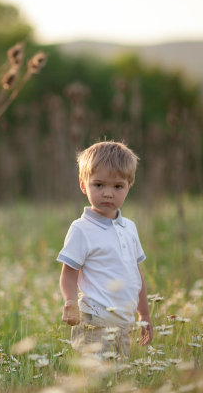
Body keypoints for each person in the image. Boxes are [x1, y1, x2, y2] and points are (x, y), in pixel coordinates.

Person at [57, 140, 153, 358]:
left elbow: (136, 275)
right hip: (95, 323)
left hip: (124, 324)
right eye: (99, 185)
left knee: (119, 378)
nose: (108, 193)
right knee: (97, 380)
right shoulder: (81, 229)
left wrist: (144, 315)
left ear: (130, 185)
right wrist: (70, 301)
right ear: (83, 185)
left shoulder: (129, 227)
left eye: (117, 186)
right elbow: (69, 272)